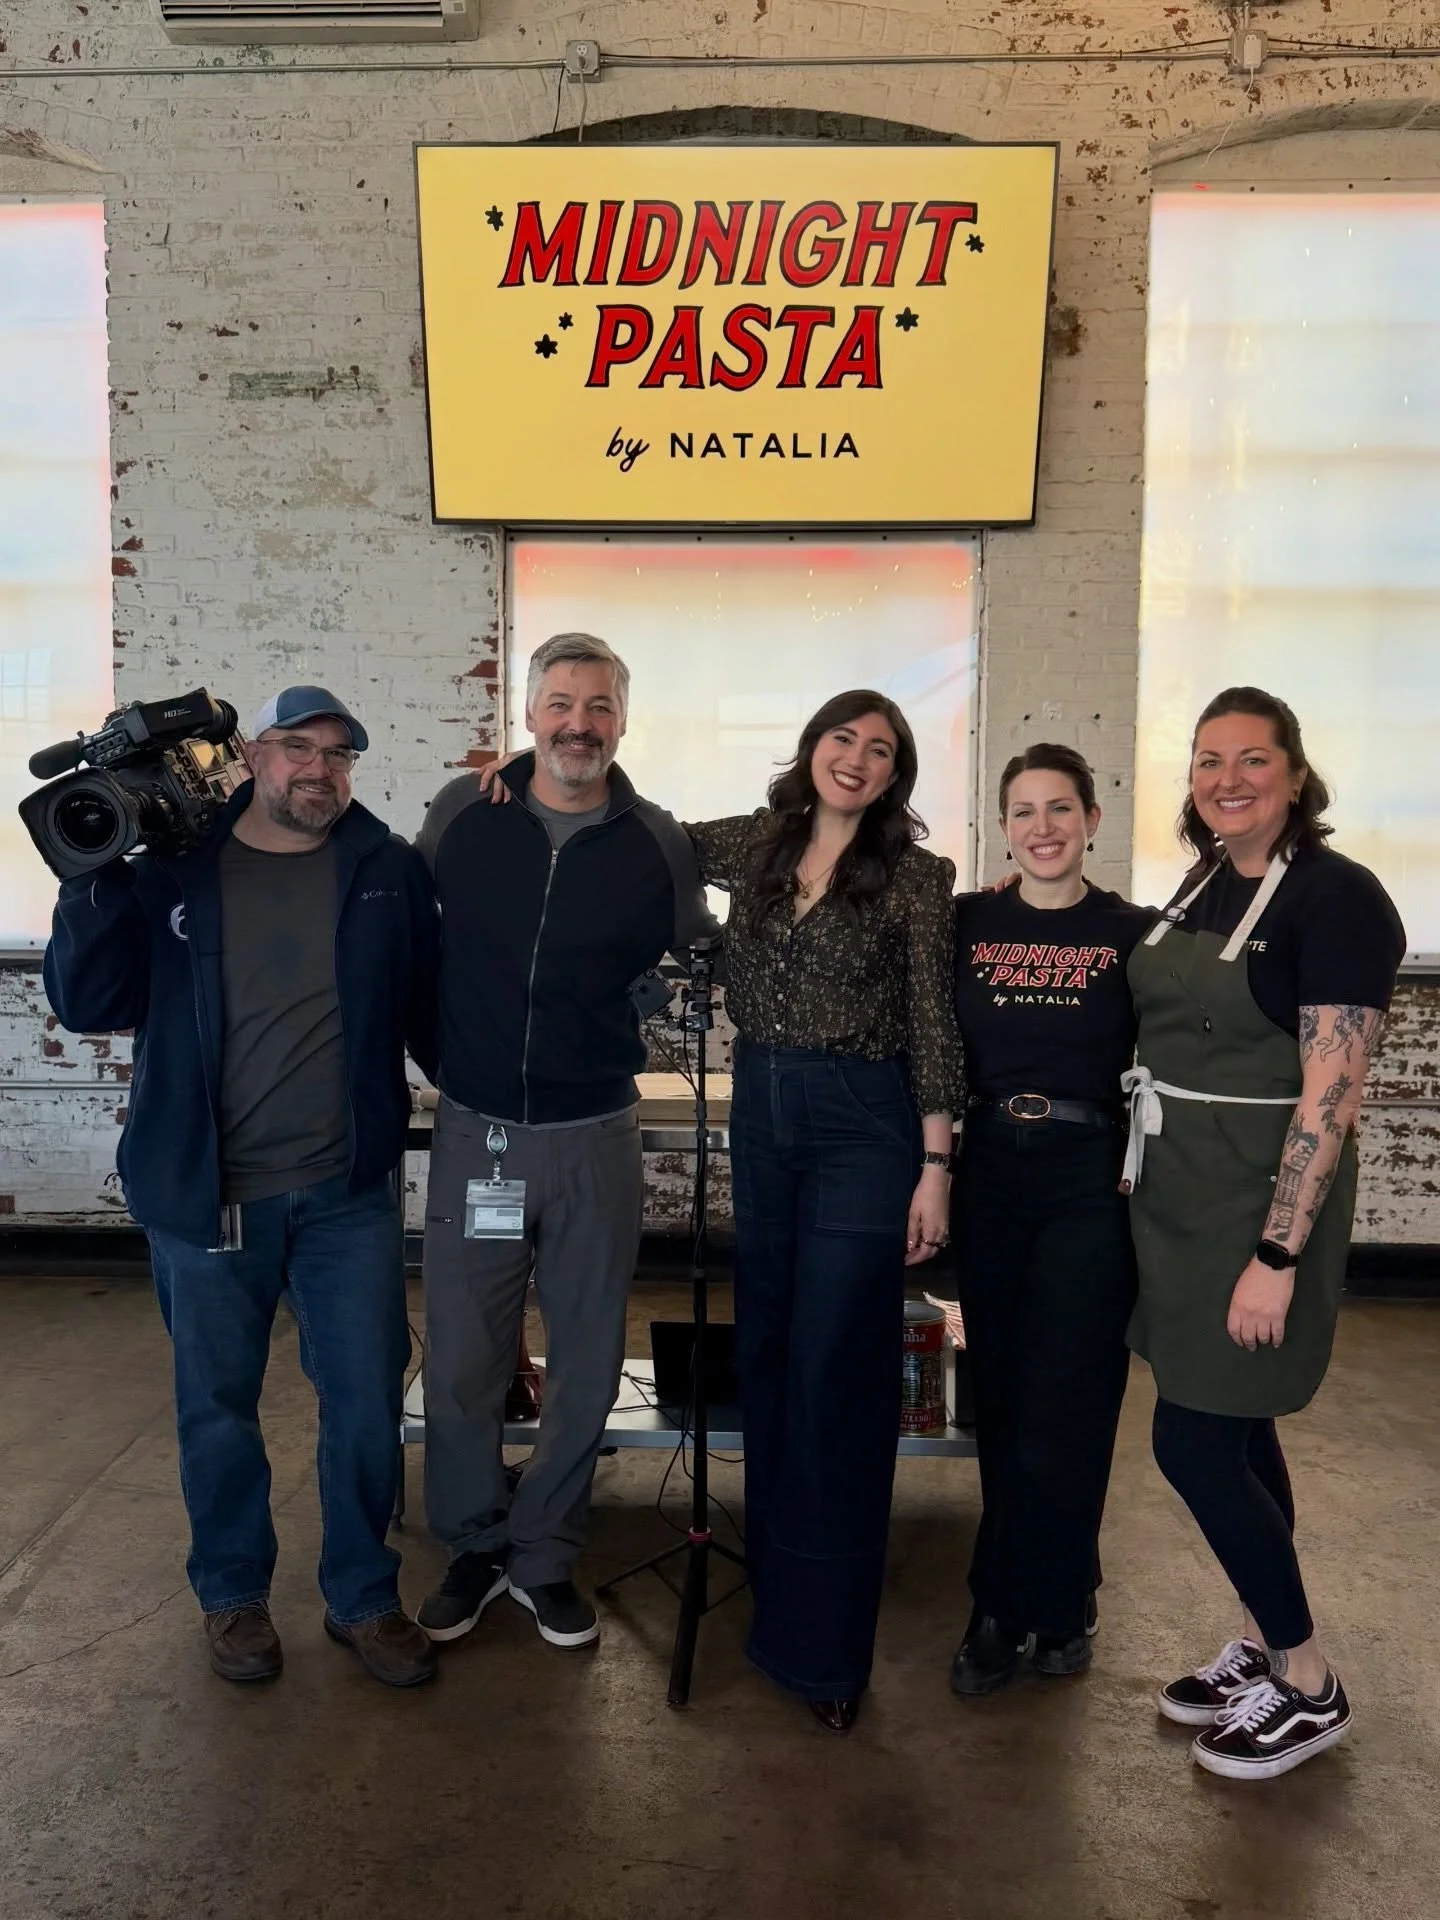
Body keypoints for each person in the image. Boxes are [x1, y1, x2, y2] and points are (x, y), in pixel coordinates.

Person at [43, 686, 440, 1689]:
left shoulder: (386, 870)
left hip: (345, 1192)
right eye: (297, 747)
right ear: (253, 758)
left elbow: (432, 1008)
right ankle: (233, 1596)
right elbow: (89, 1002)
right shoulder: (172, 867)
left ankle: (363, 1597)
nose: (320, 768)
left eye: (339, 753)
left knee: (361, 1401)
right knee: (218, 1405)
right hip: (209, 1191)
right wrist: (87, 882)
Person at [414, 632, 716, 1652]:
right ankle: (471, 1542)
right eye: (559, 702)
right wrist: (446, 1059)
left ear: (621, 721)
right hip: (479, 1135)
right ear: (530, 714)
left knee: (586, 1361)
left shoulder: (656, 842)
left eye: (597, 706)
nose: (577, 723)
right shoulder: (464, 813)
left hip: (595, 1134)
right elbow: (413, 941)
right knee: (463, 1356)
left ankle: (544, 1556)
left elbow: (694, 956)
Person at [1125, 686, 1404, 1780]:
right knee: (1237, 1431)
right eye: (1207, 762)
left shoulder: (1337, 901)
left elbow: (1332, 1093)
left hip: (1256, 1208)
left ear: (1295, 773)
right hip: (1177, 1201)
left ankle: (1308, 1677)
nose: (1226, 780)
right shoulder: (1203, 882)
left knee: (1189, 1443)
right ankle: (1260, 1633)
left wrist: (1277, 1255)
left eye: (1251, 760)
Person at [686, 690, 963, 1735]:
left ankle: (827, 1652)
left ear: (897, 774)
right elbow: (635, 830)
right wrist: (514, 775)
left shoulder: (917, 879)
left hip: (863, 1124)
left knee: (836, 1371)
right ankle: (778, 1613)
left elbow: (936, 1026)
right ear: (809, 749)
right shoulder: (752, 844)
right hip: (761, 1109)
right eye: (842, 739)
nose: (856, 759)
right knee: (766, 1356)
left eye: (880, 749)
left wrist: (934, 1165)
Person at [948, 744, 1150, 1696]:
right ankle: (1009, 1598)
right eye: (1024, 811)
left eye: (1061, 809)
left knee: (1072, 1394)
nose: (1043, 828)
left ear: (1093, 821)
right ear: (1003, 827)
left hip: (1088, 1174)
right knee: (1002, 1391)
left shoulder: (1136, 934)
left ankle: (1049, 1598)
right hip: (989, 1166)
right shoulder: (965, 923)